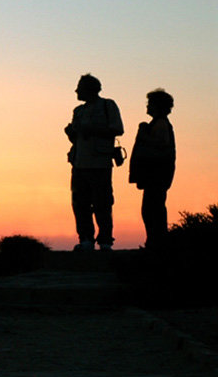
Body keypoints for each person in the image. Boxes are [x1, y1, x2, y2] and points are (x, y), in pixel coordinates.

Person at [64, 74, 124, 251]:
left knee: (102, 204)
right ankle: (86, 240)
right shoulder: (78, 111)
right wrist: (71, 133)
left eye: (79, 87)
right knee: (80, 204)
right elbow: (77, 138)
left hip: (100, 164)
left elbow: (117, 129)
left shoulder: (107, 106)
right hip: (79, 164)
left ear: (89, 89)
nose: (76, 91)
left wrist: (91, 129)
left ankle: (105, 241)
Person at [128, 89, 176, 249]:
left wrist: (143, 135)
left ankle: (157, 243)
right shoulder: (159, 123)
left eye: (150, 104)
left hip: (157, 174)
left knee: (152, 209)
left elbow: (162, 144)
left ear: (157, 106)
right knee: (152, 208)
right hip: (157, 174)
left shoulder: (161, 123)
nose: (147, 107)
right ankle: (156, 242)